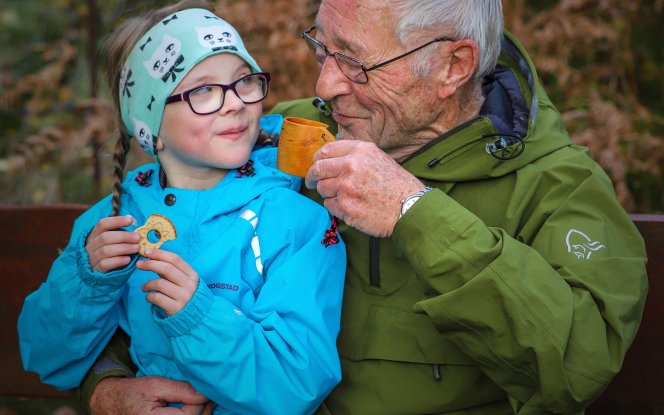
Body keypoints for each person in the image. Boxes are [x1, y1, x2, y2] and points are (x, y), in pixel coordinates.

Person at [74, 0, 649, 414]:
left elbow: (578, 368)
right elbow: (138, 255)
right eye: (322, 46)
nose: (324, 85)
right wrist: (106, 389)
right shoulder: (275, 139)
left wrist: (415, 212)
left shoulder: (558, 187)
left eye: (355, 62)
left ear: (453, 66)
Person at [17, 2, 346, 415]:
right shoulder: (113, 224)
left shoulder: (297, 224)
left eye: (244, 81)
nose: (234, 103)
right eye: (203, 90)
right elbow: (46, 356)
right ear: (151, 128)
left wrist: (198, 318)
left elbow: (297, 384)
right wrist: (88, 284)